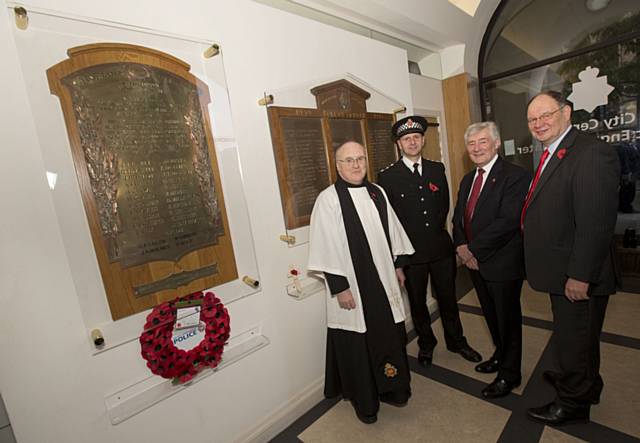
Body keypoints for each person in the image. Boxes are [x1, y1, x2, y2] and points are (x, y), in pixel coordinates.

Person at [522, 91, 620, 425]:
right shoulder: (554, 151)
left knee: (575, 341)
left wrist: (580, 275)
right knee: (577, 338)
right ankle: (584, 384)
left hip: (576, 275)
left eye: (546, 115)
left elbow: (595, 223)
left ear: (567, 113)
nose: (539, 123)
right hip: (559, 269)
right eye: (533, 119)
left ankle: (573, 403)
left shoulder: (591, 152)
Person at [308, 141, 415, 424]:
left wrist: (397, 266)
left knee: (389, 335)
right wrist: (340, 287)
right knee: (358, 339)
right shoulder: (328, 200)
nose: (356, 165)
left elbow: (393, 232)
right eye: (349, 160)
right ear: (338, 165)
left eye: (360, 159)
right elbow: (324, 246)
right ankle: (365, 402)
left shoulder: (376, 193)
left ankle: (393, 389)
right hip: (352, 287)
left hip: (383, 281)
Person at [378, 115, 481, 367]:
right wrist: (397, 261)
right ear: (399, 144)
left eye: (416, 137)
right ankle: (426, 343)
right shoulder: (387, 177)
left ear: (423, 140)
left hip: (440, 250)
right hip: (411, 254)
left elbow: (444, 207)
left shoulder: (437, 169)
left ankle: (456, 341)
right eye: (406, 139)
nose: (412, 142)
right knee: (418, 304)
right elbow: (388, 222)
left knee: (448, 299)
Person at [452, 121, 531, 398]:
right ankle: (500, 356)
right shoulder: (467, 179)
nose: (476, 148)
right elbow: (458, 217)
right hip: (475, 262)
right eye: (471, 144)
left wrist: (472, 249)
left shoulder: (515, 176)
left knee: (507, 320)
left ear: (496, 143)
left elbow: (508, 221)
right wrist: (461, 245)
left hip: (502, 261)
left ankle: (510, 375)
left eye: (482, 142)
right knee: (491, 315)